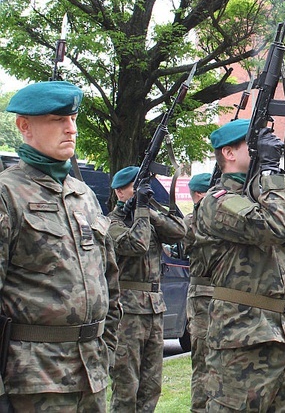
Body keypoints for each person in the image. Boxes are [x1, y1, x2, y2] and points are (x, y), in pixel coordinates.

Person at [0, 81, 121, 411]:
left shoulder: (83, 195)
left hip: (91, 373)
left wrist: (106, 349)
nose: (71, 129)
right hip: (34, 380)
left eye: (73, 118)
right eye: (57, 120)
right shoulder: (7, 194)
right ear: (25, 127)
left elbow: (109, 282)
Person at [194, 120, 285, 411]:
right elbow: (277, 228)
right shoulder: (218, 202)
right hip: (242, 342)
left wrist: (271, 190)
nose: (262, 150)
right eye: (252, 144)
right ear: (229, 153)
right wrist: (270, 173)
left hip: (284, 337)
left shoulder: (269, 198)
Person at [108, 165, 187, 411]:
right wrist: (142, 210)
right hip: (127, 312)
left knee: (151, 384)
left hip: (154, 308)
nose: (143, 191)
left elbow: (179, 232)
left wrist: (150, 212)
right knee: (126, 385)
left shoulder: (147, 217)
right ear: (120, 192)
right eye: (136, 187)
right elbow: (137, 244)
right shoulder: (112, 223)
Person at [183, 172, 212, 412]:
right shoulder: (192, 221)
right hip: (203, 298)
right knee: (203, 365)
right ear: (201, 195)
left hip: (224, 297)